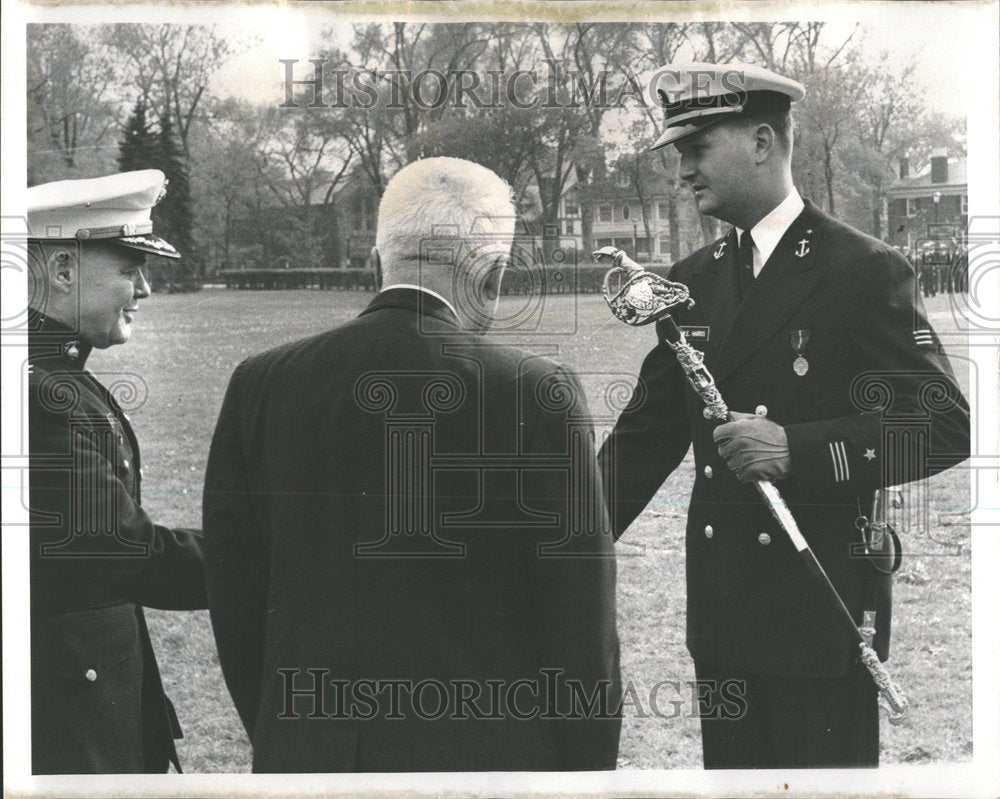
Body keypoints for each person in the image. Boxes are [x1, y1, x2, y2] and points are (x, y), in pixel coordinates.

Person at [600, 63, 970, 769]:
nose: (682, 171)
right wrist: (550, 543)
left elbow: (944, 423)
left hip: (819, 616)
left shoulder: (862, 269)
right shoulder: (691, 283)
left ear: (763, 141)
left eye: (696, 148)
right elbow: (639, 446)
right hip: (724, 622)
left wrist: (794, 448)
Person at [203, 156, 621, 773]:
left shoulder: (261, 383)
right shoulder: (537, 392)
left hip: (308, 759)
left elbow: (234, 597)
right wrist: (588, 779)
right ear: (492, 273)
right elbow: (581, 629)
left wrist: (282, 736)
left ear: (379, 259)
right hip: (487, 766)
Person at [26, 170, 207, 773]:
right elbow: (124, 553)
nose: (146, 290)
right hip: (68, 726)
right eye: (131, 269)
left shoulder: (56, 378)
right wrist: (271, 555)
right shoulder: (39, 395)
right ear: (62, 272)